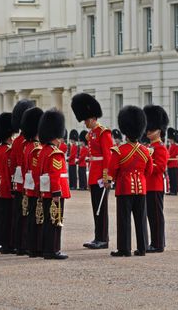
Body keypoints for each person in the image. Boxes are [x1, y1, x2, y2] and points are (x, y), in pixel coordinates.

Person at [108, 106, 152, 257]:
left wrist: (111, 180)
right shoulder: (146, 151)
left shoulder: (119, 150)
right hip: (141, 188)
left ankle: (124, 249)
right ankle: (142, 247)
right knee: (141, 220)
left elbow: (112, 169)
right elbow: (149, 171)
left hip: (124, 188)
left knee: (124, 220)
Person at [71, 93, 113, 250]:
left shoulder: (103, 133)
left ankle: (103, 238)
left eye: (87, 120)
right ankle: (98, 236)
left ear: (93, 118)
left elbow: (108, 156)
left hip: (101, 175)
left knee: (101, 208)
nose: (85, 123)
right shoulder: (92, 134)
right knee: (96, 207)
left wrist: (107, 177)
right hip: (94, 174)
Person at [37, 108, 70, 260]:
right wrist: (57, 193)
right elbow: (55, 176)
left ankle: (47, 248)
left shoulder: (43, 151)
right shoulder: (55, 153)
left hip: (45, 191)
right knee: (55, 221)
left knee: (48, 221)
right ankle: (53, 250)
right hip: (55, 192)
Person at [143, 105, 169, 253]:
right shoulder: (149, 147)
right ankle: (155, 242)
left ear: (158, 130)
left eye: (151, 129)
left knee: (156, 217)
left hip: (156, 186)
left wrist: (146, 166)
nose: (148, 132)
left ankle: (158, 243)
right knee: (151, 217)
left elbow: (160, 167)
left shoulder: (160, 148)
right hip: (148, 186)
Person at [10, 99, 35, 256]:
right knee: (26, 213)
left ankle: (17, 243)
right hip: (27, 180)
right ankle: (24, 244)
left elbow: (12, 162)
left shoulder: (17, 141)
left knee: (19, 212)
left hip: (18, 180)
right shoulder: (27, 142)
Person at [20, 107, 44, 258]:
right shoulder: (35, 148)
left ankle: (30, 245)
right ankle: (35, 247)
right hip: (34, 187)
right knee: (37, 217)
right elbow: (36, 171)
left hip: (28, 185)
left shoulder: (27, 146)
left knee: (30, 216)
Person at [0, 112, 14, 254]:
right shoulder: (7, 151)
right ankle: (7, 244)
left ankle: (2, 242)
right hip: (6, 188)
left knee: (1, 218)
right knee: (8, 219)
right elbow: (8, 173)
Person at [166, 128, 178, 196]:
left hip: (174, 164)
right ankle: (172, 190)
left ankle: (175, 191)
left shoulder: (176, 146)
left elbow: (173, 155)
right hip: (170, 164)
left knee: (174, 178)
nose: (170, 140)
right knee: (171, 178)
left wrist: (167, 158)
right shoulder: (170, 146)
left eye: (171, 139)